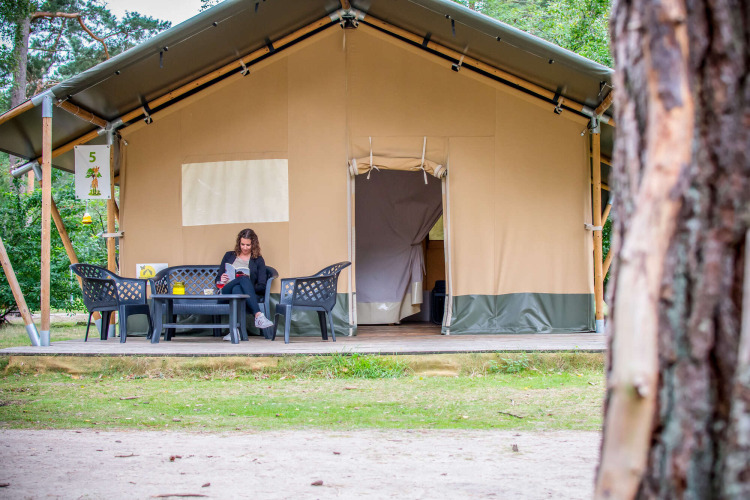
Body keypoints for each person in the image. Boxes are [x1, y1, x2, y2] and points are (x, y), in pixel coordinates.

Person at [216, 228, 274, 340]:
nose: (245, 248)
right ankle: (258, 316)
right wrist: (222, 279)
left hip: (244, 296)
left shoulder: (258, 260)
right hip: (226, 293)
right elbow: (217, 279)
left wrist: (246, 286)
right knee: (242, 279)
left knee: (238, 288)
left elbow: (262, 286)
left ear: (253, 245)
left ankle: (235, 331)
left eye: (248, 245)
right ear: (239, 243)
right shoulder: (229, 255)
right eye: (242, 244)